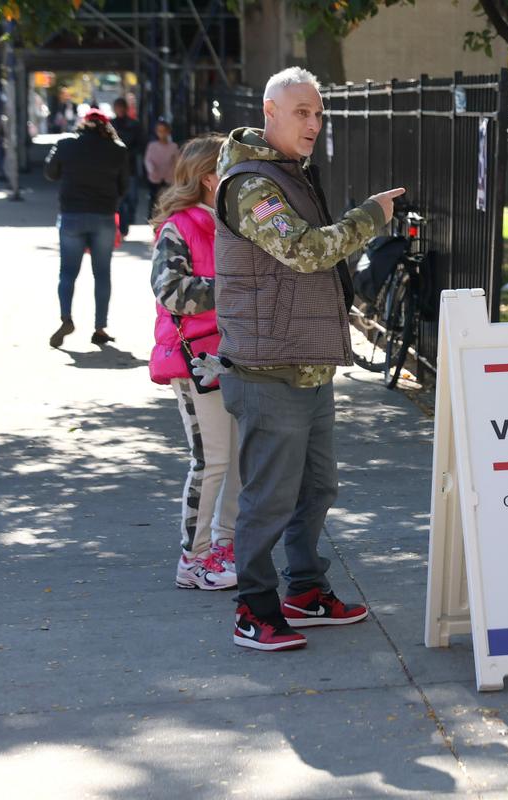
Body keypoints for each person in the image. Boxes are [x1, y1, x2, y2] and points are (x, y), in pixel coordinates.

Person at [193, 67, 403, 651]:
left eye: (317, 113)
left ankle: (305, 590)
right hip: (267, 368)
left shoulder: (290, 174)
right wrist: (370, 218)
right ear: (270, 111)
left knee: (316, 488)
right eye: (301, 112)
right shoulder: (251, 184)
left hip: (306, 363)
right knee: (268, 497)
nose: (313, 123)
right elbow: (305, 252)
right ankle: (253, 608)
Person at [148, 134, 239, 591]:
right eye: (232, 168)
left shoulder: (239, 221)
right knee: (213, 460)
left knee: (239, 458)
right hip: (196, 359)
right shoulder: (179, 226)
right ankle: (194, 557)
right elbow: (170, 291)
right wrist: (234, 285)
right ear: (209, 178)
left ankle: (224, 546)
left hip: (237, 356)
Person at [44, 108, 129, 348]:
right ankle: (100, 328)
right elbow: (124, 186)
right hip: (103, 216)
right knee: (102, 274)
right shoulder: (117, 149)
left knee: (67, 273)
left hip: (71, 216)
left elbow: (50, 173)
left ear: (82, 124)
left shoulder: (66, 144)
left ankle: (66, 318)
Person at [110, 97, 142, 237]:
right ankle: (123, 226)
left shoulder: (134, 125)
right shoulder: (110, 125)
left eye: (122, 107)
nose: (120, 110)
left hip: (130, 166)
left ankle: (128, 220)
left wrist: (129, 153)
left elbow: (141, 144)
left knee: (132, 198)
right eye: (118, 107)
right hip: (115, 167)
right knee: (121, 199)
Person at [144, 119, 179, 218]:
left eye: (164, 131)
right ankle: (153, 219)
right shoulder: (152, 146)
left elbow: (178, 162)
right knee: (154, 199)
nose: (162, 133)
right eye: (159, 131)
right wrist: (151, 169)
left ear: (168, 132)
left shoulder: (173, 147)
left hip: (169, 179)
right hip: (155, 178)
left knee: (169, 200)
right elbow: (148, 160)